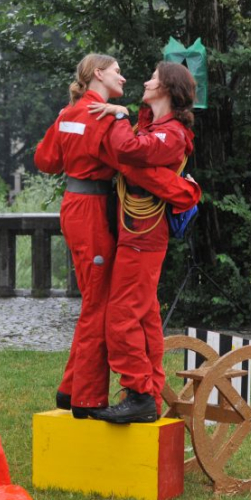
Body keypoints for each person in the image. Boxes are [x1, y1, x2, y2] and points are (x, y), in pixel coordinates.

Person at [34, 54, 199, 419]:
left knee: (109, 304)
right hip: (96, 212)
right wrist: (185, 192)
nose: (128, 79)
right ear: (98, 74)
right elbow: (132, 166)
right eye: (118, 71)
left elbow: (45, 162)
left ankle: (72, 389)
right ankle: (87, 397)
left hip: (75, 206)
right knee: (102, 306)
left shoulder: (68, 114)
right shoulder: (105, 117)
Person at [88, 61, 201, 423]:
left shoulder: (172, 134)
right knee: (146, 317)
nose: (146, 81)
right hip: (134, 233)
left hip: (144, 237)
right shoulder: (153, 127)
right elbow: (126, 156)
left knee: (121, 317)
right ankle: (148, 393)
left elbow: (129, 153)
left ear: (167, 88)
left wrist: (120, 118)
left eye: (152, 77)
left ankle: (138, 392)